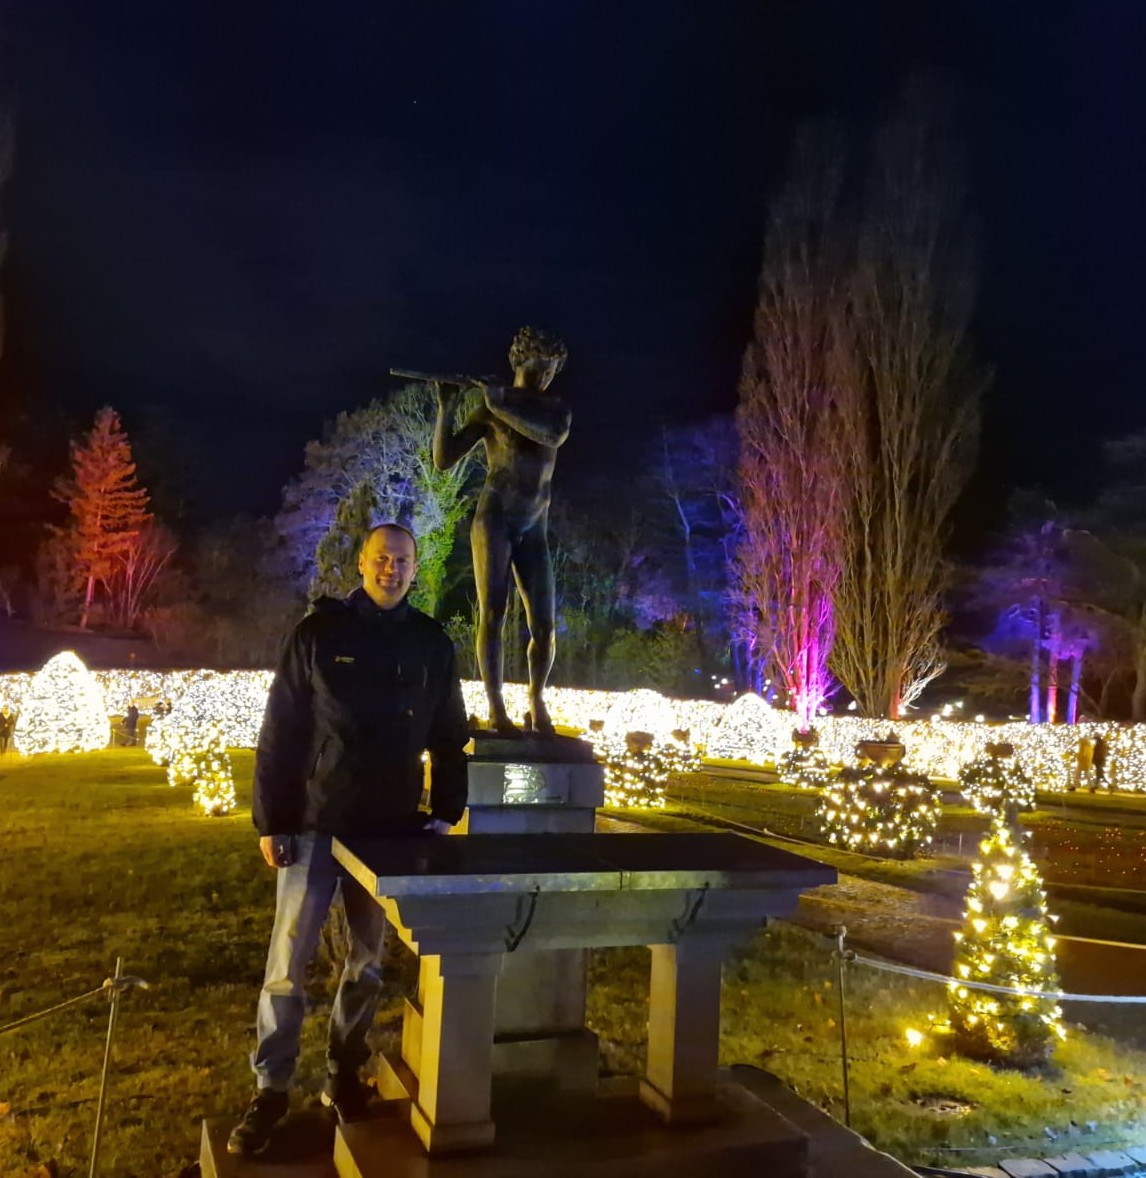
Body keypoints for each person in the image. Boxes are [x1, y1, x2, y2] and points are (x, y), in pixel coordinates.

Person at [227, 523, 469, 1157]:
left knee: (366, 963)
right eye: (382, 557)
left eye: (404, 560)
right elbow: (281, 729)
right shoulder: (319, 635)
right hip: (314, 823)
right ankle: (270, 1091)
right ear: (362, 563)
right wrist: (272, 820)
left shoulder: (430, 644)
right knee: (287, 969)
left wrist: (445, 810)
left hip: (390, 830)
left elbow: (449, 732)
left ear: (415, 569)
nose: (393, 568)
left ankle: (343, 1072)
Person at [432, 326, 571, 737]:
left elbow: (551, 436)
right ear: (518, 363)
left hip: (535, 526)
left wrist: (499, 403)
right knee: (492, 613)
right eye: (537, 370)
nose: (544, 379)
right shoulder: (491, 408)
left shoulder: (553, 409)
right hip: (494, 519)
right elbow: (444, 459)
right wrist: (447, 409)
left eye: (550, 371)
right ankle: (496, 707)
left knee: (544, 625)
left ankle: (536, 700)